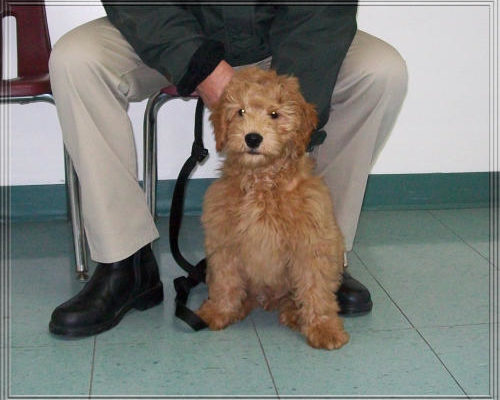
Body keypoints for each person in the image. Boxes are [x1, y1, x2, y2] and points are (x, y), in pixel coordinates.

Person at [48, 4, 408, 337]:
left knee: (380, 71)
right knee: (76, 59)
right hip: (172, 34)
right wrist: (201, 66)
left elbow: (321, 13)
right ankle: (123, 262)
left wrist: (288, 103)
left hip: (284, 40)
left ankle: (320, 259)